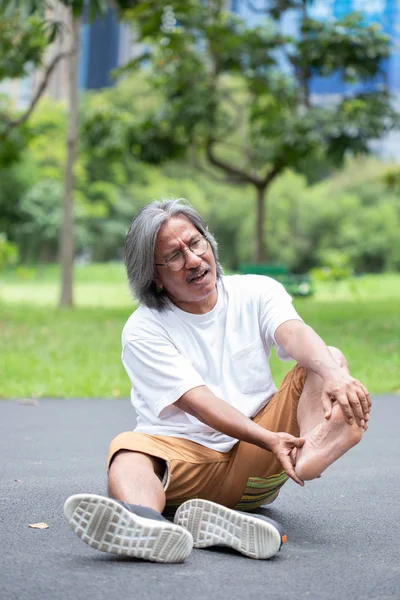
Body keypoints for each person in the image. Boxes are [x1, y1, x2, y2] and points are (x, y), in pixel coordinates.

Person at [64, 198, 371, 563]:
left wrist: (335, 375)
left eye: (196, 244)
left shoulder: (256, 291)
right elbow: (200, 403)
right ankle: (150, 525)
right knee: (129, 451)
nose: (193, 260)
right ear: (154, 277)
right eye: (175, 257)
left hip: (272, 458)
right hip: (191, 463)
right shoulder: (143, 329)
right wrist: (269, 439)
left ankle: (311, 456)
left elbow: (293, 333)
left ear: (209, 242)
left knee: (326, 359)